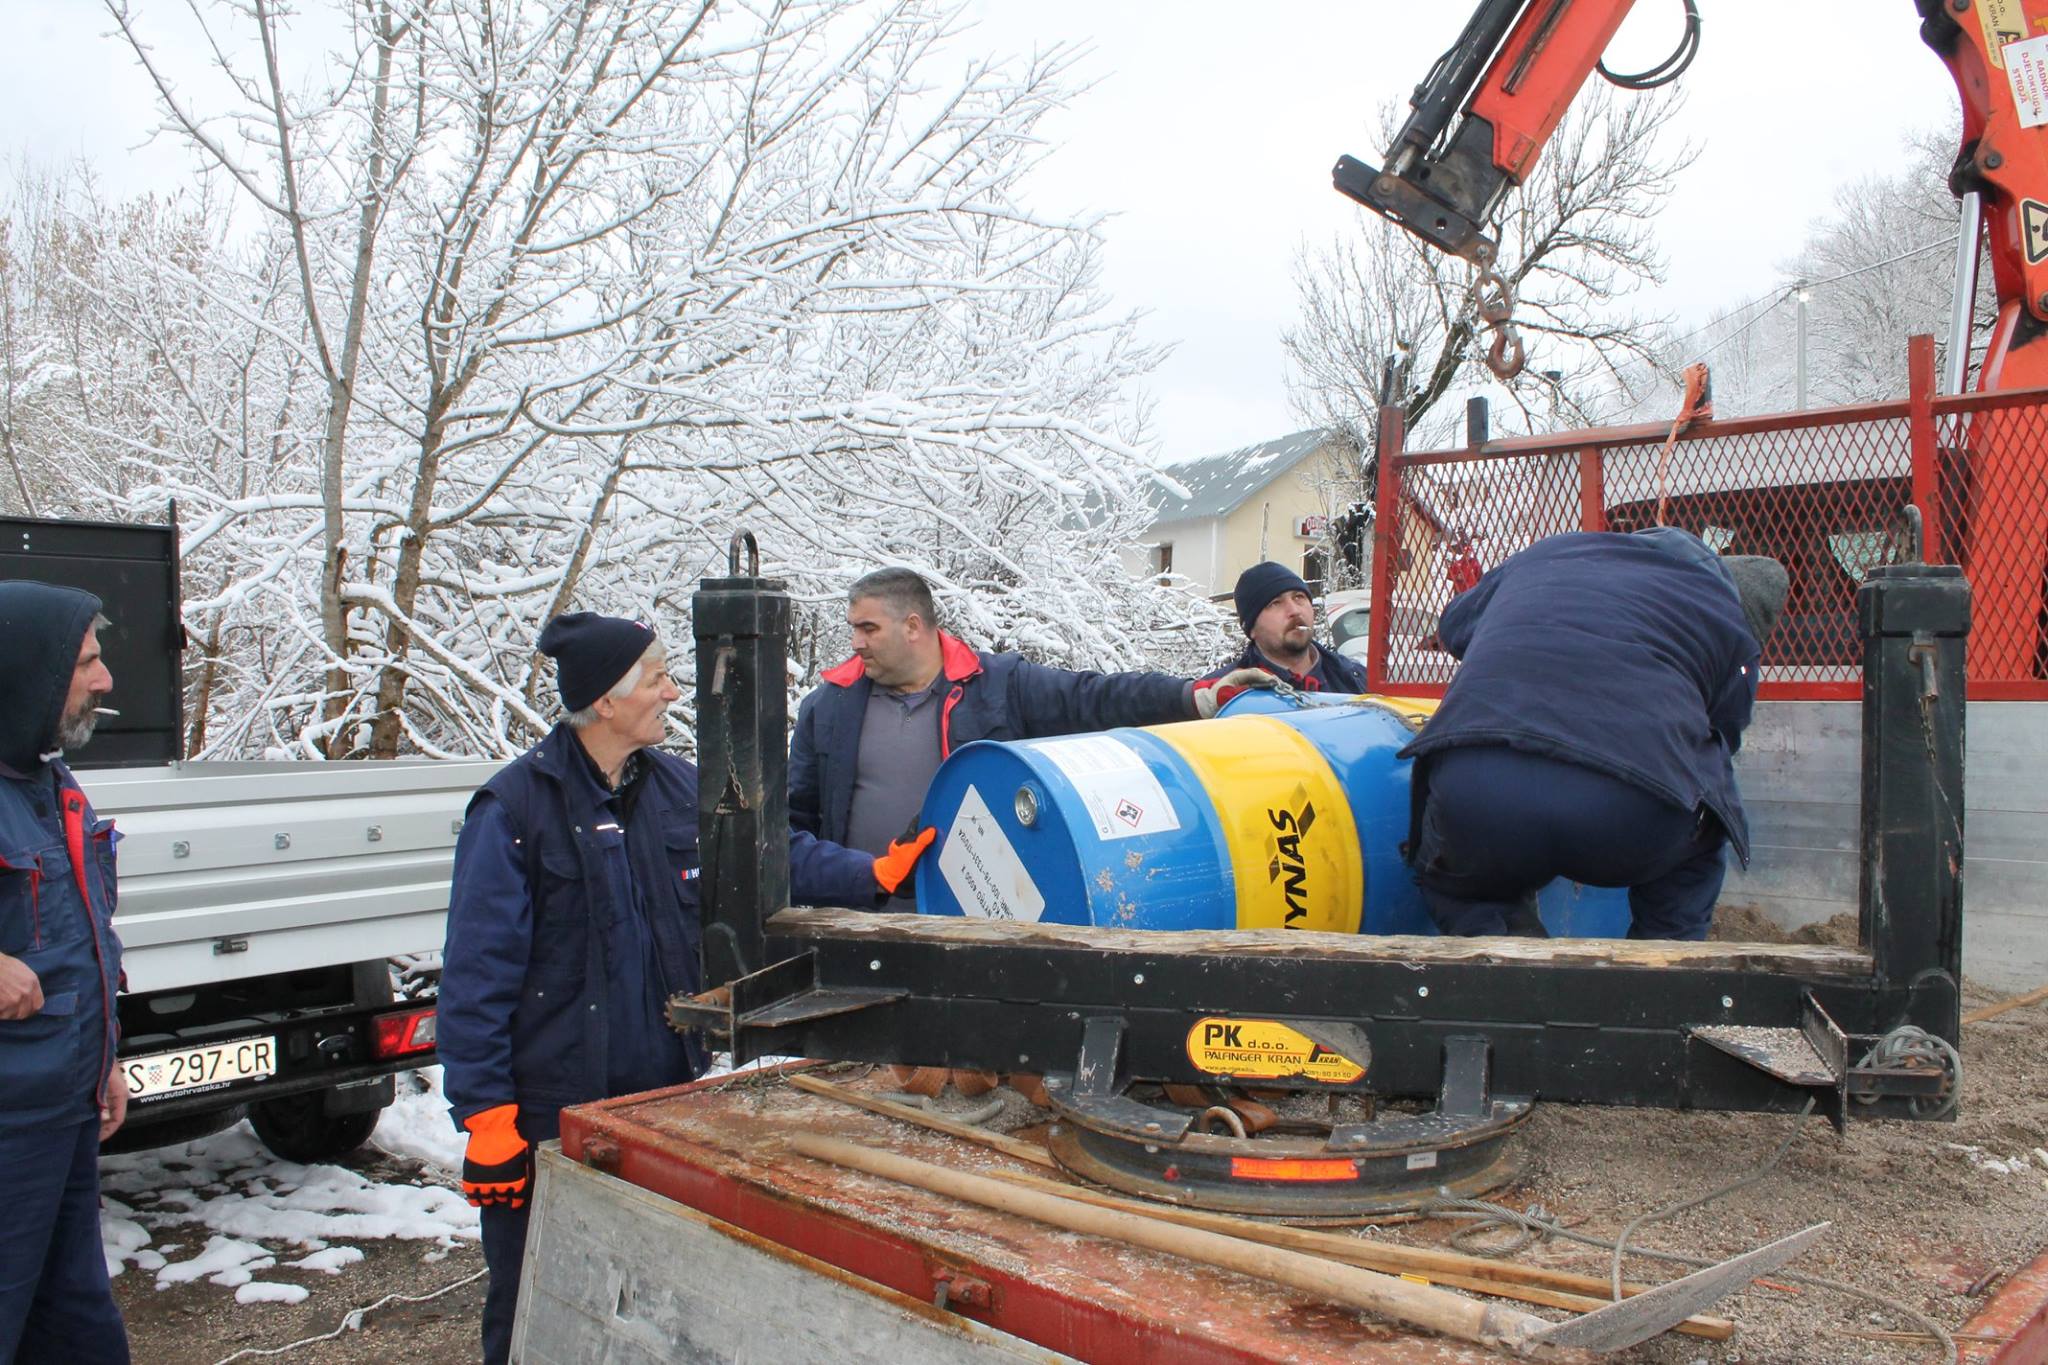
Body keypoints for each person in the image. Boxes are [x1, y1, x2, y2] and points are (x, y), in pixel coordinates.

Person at [438, 612, 923, 1365]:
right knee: (536, 1294)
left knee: (646, 1294)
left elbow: (771, 851)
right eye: (657, 677)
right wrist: (487, 1118)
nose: (672, 691)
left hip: (657, 1100)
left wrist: (871, 874)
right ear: (605, 699)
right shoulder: (515, 811)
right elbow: (476, 975)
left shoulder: (673, 786)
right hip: (549, 1111)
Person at [1399, 528, 1789, 941]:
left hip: (1476, 786)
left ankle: (1505, 954)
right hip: (1630, 808)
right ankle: (1661, 965)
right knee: (1701, 840)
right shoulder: (1720, 611)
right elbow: (1723, 735)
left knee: (1458, 884)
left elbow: (1454, 625)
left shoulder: (1551, 552)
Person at [791, 568, 1262, 908]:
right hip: (861, 926)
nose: (855, 642)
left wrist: (1191, 698)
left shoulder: (999, 687)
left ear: (913, 626)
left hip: (982, 923)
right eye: (853, 629)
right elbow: (787, 830)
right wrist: (868, 876)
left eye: (868, 629)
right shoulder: (828, 709)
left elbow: (1093, 698)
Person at [0, 582, 129, 1364]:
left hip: (65, 1108)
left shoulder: (49, 784)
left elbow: (82, 936)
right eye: (85, 662)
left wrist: (102, 1057)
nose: (105, 679)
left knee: (75, 1325)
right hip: (8, 1123)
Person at [1206, 561, 1369, 693]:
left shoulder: (1356, 680)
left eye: (1299, 597)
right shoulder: (1223, 693)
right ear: (1251, 628)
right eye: (1275, 603)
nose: (1294, 611)